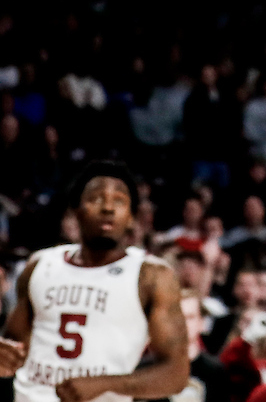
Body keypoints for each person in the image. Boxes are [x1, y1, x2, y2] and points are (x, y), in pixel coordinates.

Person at [0, 159, 189, 402]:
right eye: (96, 199)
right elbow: (14, 347)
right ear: (75, 211)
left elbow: (176, 374)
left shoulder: (151, 275)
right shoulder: (41, 264)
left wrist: (105, 384)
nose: (108, 208)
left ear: (131, 217)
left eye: (119, 201)